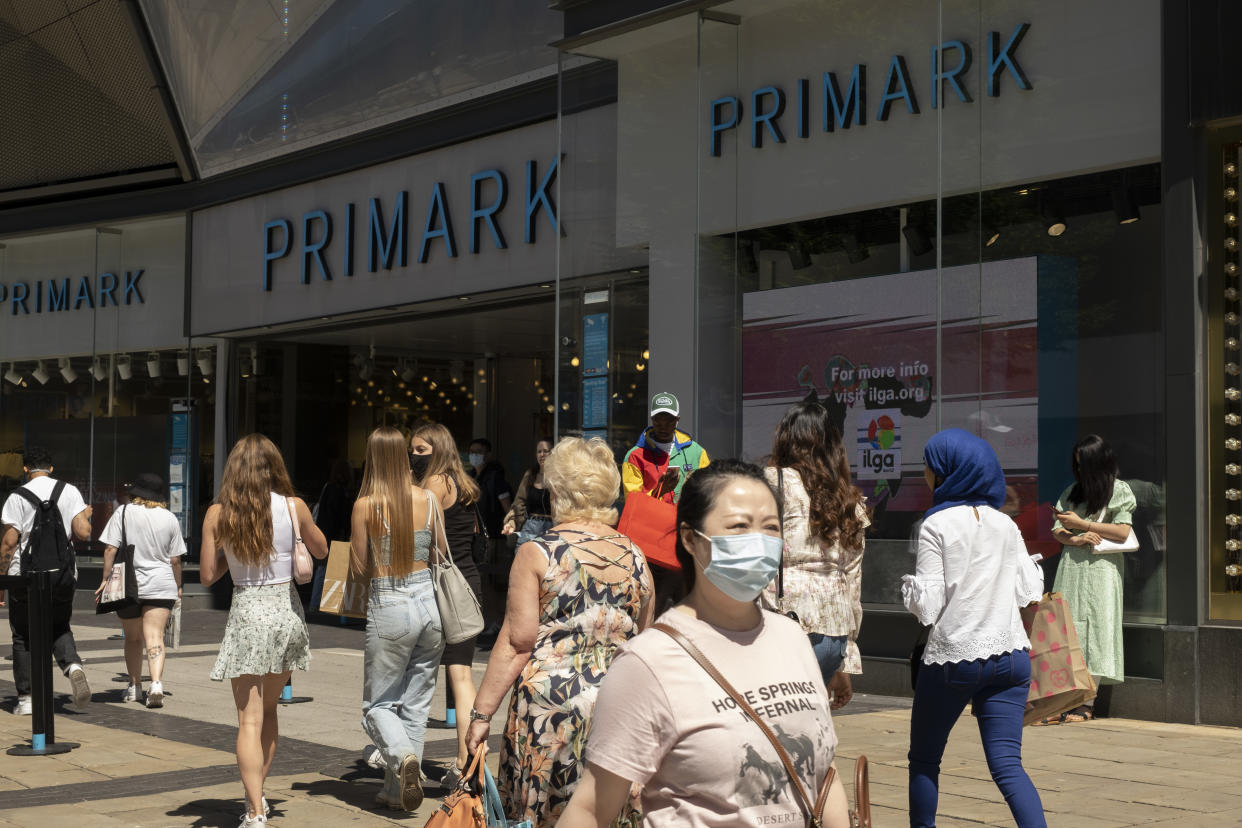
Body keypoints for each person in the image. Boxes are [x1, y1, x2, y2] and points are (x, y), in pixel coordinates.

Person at [560, 460, 848, 828]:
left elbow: (825, 775)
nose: (758, 541)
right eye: (739, 527)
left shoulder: (792, 637)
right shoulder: (648, 661)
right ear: (690, 538)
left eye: (771, 528)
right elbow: (591, 808)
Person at [466, 437, 653, 827]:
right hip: (618, 709)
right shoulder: (637, 557)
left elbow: (517, 643)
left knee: (549, 814)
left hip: (550, 712)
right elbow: (645, 646)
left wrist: (481, 713)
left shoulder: (538, 552)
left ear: (556, 492)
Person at [901, 429, 1045, 828]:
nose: (925, 475)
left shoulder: (936, 524)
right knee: (1008, 766)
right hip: (1012, 657)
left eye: (928, 467)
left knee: (925, 760)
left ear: (946, 472)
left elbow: (927, 608)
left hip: (954, 658)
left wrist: (908, 593)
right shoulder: (1005, 524)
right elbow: (1029, 590)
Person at [200, 434, 329, 827]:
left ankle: (254, 810)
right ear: (274, 468)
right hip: (286, 612)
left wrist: (232, 559)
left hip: (247, 613)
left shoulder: (218, 514)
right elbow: (321, 550)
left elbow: (207, 576)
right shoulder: (294, 506)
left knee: (248, 720)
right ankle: (257, 793)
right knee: (270, 711)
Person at [353, 426, 446, 812]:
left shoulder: (367, 505)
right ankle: (396, 791)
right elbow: (441, 551)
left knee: (377, 706)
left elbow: (359, 570)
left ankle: (402, 757)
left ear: (374, 458)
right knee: (416, 705)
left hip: (390, 602)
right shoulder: (428, 498)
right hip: (430, 604)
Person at [765, 401, 869, 710]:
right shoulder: (847, 498)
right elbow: (853, 580)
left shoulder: (769, 484)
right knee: (809, 725)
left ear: (785, 439)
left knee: (775, 730)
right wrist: (845, 657)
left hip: (781, 621)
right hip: (833, 633)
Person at [409, 422, 483, 786]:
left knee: (444, 673)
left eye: (421, 450)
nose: (415, 456)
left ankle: (463, 761)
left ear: (437, 449)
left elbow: (422, 534)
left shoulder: (435, 484)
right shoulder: (461, 481)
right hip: (465, 582)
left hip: (444, 587)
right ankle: (466, 760)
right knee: (460, 673)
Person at [1050, 434, 1137, 723]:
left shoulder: (1119, 490)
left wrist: (1083, 525)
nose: (1080, 471)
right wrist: (1074, 538)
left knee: (1098, 630)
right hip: (1072, 566)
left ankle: (1087, 702)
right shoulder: (1071, 492)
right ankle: (1066, 698)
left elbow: (1123, 531)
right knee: (1069, 629)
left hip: (1102, 568)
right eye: (1077, 465)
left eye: (1084, 465)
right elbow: (1057, 530)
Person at [0, 446, 92, 714]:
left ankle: (26, 699)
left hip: (25, 577)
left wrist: (3, 578)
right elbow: (83, 533)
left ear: (26, 469)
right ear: (51, 468)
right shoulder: (70, 491)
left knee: (23, 635)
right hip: (62, 575)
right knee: (59, 625)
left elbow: (9, 543)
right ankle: (72, 665)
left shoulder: (17, 496)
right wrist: (85, 514)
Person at [93, 473, 185, 708]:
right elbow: (175, 560)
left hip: (128, 585)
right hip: (161, 584)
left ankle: (135, 686)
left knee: (133, 639)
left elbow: (110, 549)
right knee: (155, 636)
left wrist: (105, 580)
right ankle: (156, 684)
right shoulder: (170, 518)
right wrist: (178, 585)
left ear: (137, 493)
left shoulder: (123, 512)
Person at [622, 391, 711, 505]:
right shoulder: (634, 456)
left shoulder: (697, 452)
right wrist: (660, 491)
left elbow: (708, 493)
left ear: (677, 419)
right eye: (658, 421)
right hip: (652, 522)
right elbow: (632, 505)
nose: (663, 427)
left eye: (669, 421)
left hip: (684, 521)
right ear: (651, 419)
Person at [310, 458, 355, 613]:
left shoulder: (328, 487)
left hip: (326, 533)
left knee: (325, 570)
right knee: (326, 570)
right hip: (333, 535)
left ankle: (321, 604)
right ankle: (318, 604)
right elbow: (340, 516)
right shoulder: (339, 491)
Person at [501, 438, 554, 544]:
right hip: (530, 528)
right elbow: (519, 504)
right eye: (539, 452)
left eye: (545, 451)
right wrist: (511, 522)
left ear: (553, 453)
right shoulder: (530, 475)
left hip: (552, 529)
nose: (542, 454)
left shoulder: (559, 477)